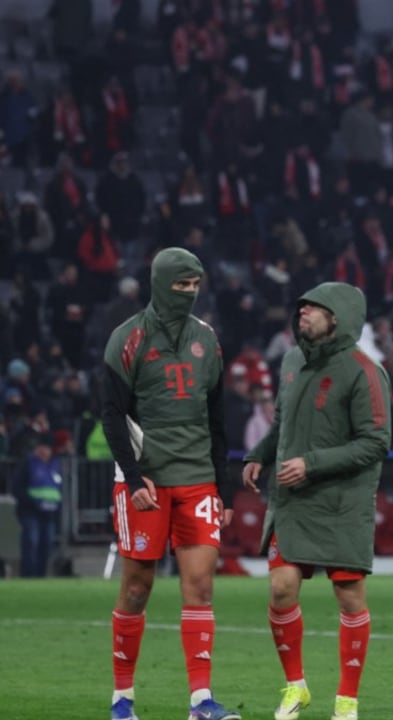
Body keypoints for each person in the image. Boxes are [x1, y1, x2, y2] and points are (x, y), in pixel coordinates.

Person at [100, 247, 239, 720]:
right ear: (161, 283)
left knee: (200, 585)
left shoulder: (208, 339)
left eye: (195, 285)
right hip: (146, 482)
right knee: (137, 588)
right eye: (182, 285)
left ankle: (201, 701)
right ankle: (122, 698)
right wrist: (134, 476)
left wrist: (226, 487)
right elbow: (112, 414)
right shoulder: (128, 338)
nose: (190, 293)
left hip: (198, 477)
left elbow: (218, 416)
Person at [242, 282, 392, 720]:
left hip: (343, 502)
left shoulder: (365, 371)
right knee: (281, 588)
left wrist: (312, 463)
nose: (303, 311)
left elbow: (375, 442)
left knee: (349, 598)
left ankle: (346, 701)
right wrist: (260, 454)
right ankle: (296, 687)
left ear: (339, 317)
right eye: (302, 305)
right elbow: (283, 423)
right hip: (293, 500)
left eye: (314, 307)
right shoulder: (291, 361)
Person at [11, 432, 63, 577]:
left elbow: (58, 489)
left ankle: (40, 576)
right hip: (30, 512)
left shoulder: (54, 464)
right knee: (31, 543)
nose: (45, 452)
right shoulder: (27, 463)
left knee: (46, 545)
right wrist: (32, 502)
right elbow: (17, 488)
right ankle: (28, 575)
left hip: (49, 512)